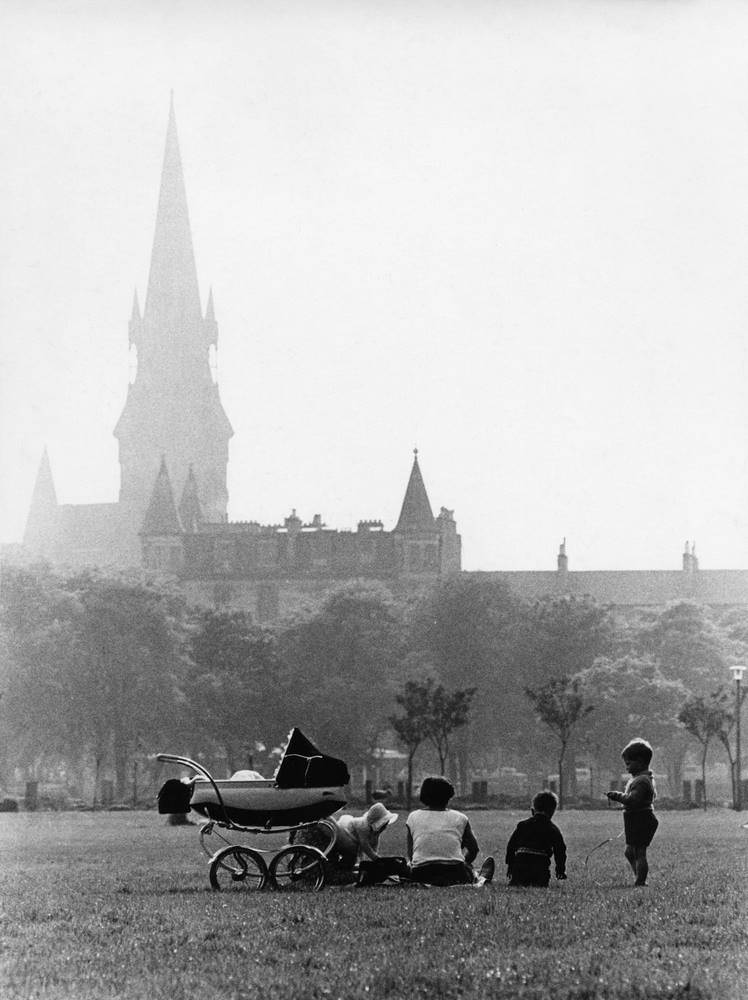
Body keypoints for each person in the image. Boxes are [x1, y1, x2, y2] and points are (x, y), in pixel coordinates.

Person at [406, 776, 495, 886]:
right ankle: (481, 877)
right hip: (455, 873)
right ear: (449, 796)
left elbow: (411, 854)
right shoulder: (460, 818)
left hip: (421, 874)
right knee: (469, 872)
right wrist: (465, 863)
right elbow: (473, 849)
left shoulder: (413, 817)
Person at [605, 737, 658, 887]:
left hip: (642, 819)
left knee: (639, 852)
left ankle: (641, 881)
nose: (626, 767)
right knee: (630, 852)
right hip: (636, 819)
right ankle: (639, 877)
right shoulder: (642, 779)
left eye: (628, 763)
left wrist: (617, 796)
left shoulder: (642, 780)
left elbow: (632, 800)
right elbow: (638, 802)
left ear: (640, 761)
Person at [505, 790, 567, 887]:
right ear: (552, 812)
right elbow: (560, 851)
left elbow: (511, 846)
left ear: (533, 810)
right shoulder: (552, 829)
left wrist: (510, 866)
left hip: (520, 867)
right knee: (539, 884)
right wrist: (560, 871)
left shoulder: (522, 825)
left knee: (517, 884)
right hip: (540, 869)